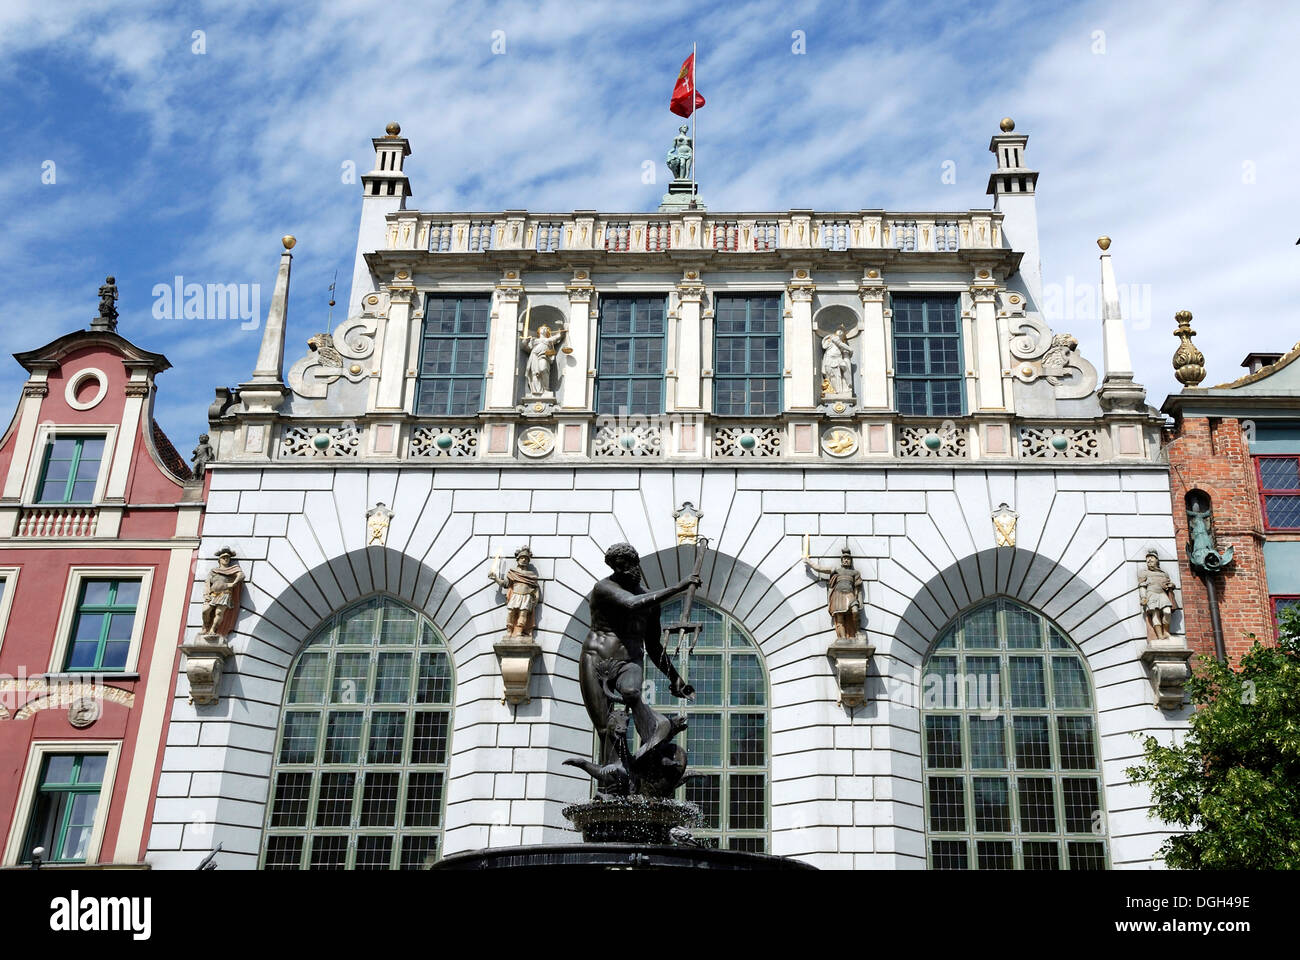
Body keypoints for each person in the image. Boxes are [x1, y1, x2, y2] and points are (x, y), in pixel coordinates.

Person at [573, 543, 698, 792]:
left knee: (631, 693)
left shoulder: (651, 602)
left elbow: (652, 645)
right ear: (614, 568)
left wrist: (674, 677)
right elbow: (631, 604)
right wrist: (678, 587)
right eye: (620, 566)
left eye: (630, 563)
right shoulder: (604, 588)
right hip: (595, 658)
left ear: (635, 562)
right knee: (604, 728)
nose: (627, 569)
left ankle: (654, 736)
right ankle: (615, 782)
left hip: (629, 659)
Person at [806, 547, 865, 639]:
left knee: (855, 611)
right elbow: (819, 568)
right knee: (840, 616)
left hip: (850, 594)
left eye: (848, 559)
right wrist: (809, 562)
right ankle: (843, 638)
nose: (846, 561)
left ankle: (857, 631)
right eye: (844, 559)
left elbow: (858, 587)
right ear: (841, 561)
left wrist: (858, 599)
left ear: (850, 561)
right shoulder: (836, 570)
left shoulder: (855, 572)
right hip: (838, 595)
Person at [488, 546, 541, 638]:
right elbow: (505, 584)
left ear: (528, 561)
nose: (524, 560)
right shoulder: (513, 573)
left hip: (526, 597)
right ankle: (509, 630)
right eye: (522, 557)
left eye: (526, 558)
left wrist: (534, 600)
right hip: (515, 595)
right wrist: (496, 578)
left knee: (523, 614)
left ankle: (519, 631)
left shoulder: (531, 576)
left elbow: (535, 589)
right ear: (518, 559)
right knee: (510, 612)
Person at [201, 547, 245, 638]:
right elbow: (207, 583)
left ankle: (213, 629)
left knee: (219, 613)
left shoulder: (233, 569)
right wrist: (206, 594)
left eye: (228, 557)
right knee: (205, 611)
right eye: (223, 557)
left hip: (225, 594)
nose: (226, 559)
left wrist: (234, 583)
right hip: (213, 594)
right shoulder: (214, 571)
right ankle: (206, 626)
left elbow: (241, 575)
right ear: (219, 559)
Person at [1138, 551, 1177, 640]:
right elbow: (1142, 586)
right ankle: (1159, 635)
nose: (1149, 560)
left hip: (1162, 594)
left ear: (1157, 560)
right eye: (1147, 559)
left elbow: (1168, 584)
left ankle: (1166, 632)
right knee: (1155, 615)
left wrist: (1171, 585)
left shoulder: (1163, 574)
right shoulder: (1144, 573)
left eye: (1151, 557)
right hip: (1151, 594)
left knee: (1167, 611)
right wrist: (1143, 597)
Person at [522, 325, 565, 396]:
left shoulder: (549, 339)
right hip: (534, 356)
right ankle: (536, 391)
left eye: (545, 328)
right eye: (542, 328)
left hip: (544, 356)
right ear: (538, 331)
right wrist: (525, 342)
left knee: (543, 369)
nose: (543, 329)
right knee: (535, 373)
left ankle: (546, 389)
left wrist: (561, 327)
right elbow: (527, 348)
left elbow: (560, 335)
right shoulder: (534, 340)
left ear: (548, 331)